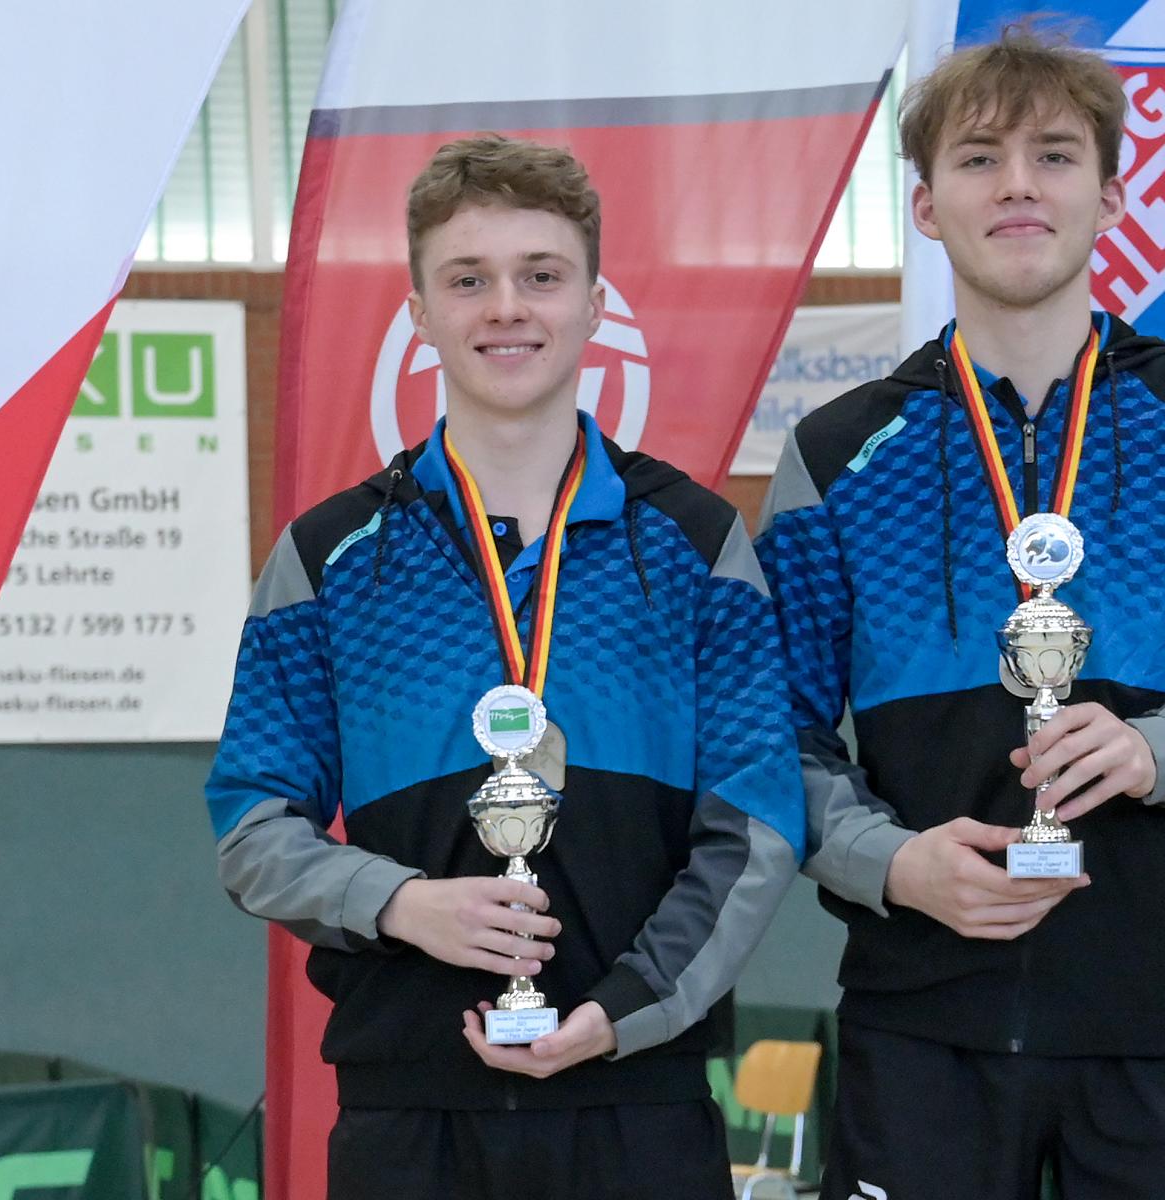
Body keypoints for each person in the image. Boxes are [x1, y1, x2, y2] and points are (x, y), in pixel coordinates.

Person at [756, 26, 1165, 1200]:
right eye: (980, 159)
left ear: (1111, 197)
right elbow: (771, 738)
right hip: (922, 1023)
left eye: (1054, 156)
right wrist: (894, 864)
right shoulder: (837, 457)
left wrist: (1157, 750)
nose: (1018, 185)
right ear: (927, 207)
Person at [207, 134, 803, 1199]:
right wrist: (399, 902)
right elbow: (252, 826)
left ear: (594, 304)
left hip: (639, 1097)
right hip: (410, 1111)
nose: (506, 309)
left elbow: (755, 822)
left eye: (540, 276)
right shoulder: (331, 555)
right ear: (419, 313)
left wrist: (625, 1009)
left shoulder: (696, 543)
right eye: (468, 280)